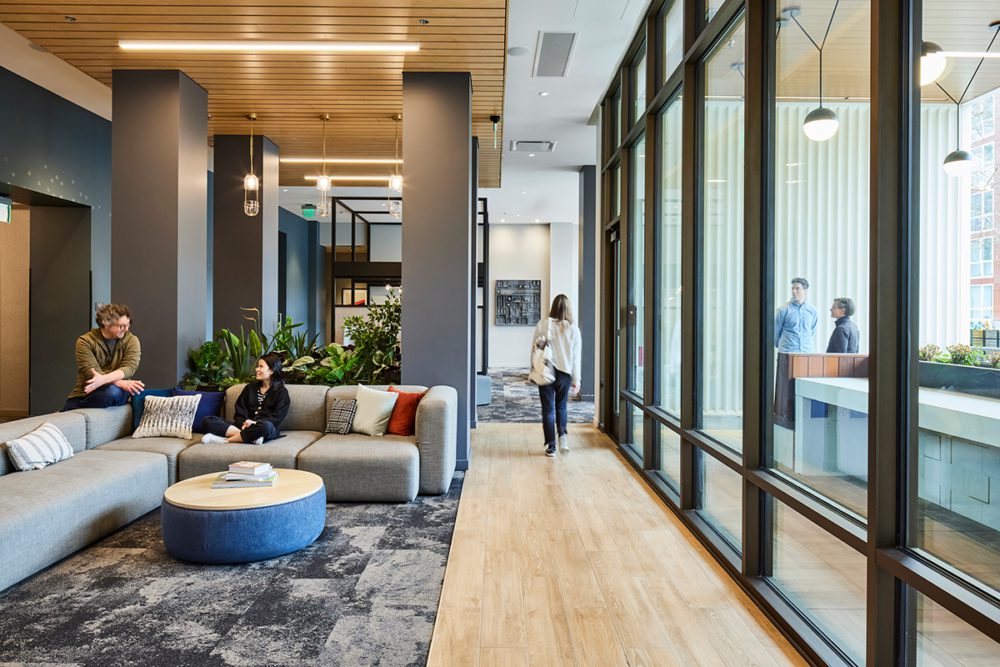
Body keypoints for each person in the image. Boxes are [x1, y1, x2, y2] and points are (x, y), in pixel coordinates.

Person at [62, 303, 144, 411]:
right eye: (121, 326)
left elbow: (129, 368)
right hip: (88, 392)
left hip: (117, 390)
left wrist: (104, 379)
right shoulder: (85, 341)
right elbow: (92, 373)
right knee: (111, 392)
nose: (127, 329)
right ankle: (70, 409)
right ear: (106, 324)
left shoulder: (132, 340)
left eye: (128, 325)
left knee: (116, 392)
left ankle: (70, 409)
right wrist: (120, 382)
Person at [531, 294, 582, 457]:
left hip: (546, 371)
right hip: (564, 374)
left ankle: (551, 446)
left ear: (553, 307)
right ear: (568, 309)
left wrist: (532, 369)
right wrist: (576, 379)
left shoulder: (542, 324)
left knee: (548, 409)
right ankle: (563, 437)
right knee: (561, 406)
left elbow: (535, 349)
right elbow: (576, 358)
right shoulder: (573, 329)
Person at [201, 352, 290, 445]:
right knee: (207, 421)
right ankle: (252, 437)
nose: (257, 369)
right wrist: (245, 423)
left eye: (261, 366)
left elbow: (276, 417)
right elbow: (240, 410)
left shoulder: (281, 392)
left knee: (266, 427)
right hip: (242, 426)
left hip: (263, 427)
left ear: (271, 370)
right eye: (257, 366)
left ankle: (225, 440)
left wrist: (254, 423)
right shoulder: (250, 388)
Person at [774, 277, 819, 353]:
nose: (794, 291)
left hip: (806, 352)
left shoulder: (813, 311)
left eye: (797, 288)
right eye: (792, 288)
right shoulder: (783, 310)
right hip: (787, 352)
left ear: (805, 290)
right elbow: (775, 332)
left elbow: (812, 331)